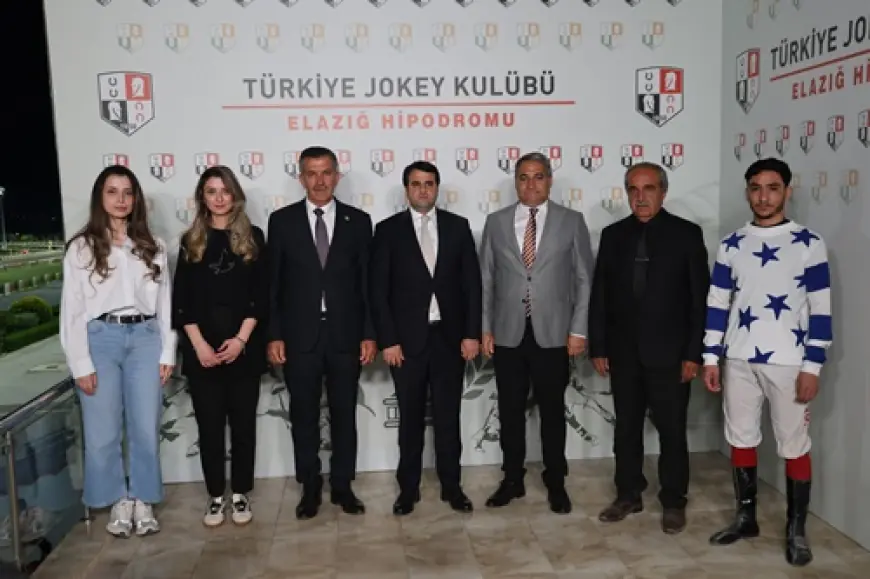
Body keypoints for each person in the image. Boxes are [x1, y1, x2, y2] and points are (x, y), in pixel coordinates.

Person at [703, 158, 831, 567]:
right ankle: (746, 519)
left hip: (790, 363)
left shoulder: (809, 243)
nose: (763, 196)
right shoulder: (731, 244)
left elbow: (821, 308)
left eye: (772, 188)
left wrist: (812, 366)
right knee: (741, 438)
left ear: (787, 192)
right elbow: (717, 303)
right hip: (739, 358)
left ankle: (796, 530)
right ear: (747, 192)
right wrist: (710, 356)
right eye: (756, 188)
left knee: (794, 444)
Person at [588, 162, 710, 534]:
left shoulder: (687, 234)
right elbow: (600, 294)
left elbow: (699, 300)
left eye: (649, 189)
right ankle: (628, 494)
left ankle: (673, 501)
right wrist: (599, 346)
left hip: (671, 355)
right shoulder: (613, 235)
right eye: (633, 189)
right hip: (623, 353)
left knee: (672, 431)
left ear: (663, 192)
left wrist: (693, 354)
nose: (640, 197)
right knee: (626, 429)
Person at [59, 165, 176, 538]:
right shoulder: (81, 247)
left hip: (145, 339)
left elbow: (165, 304)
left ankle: (143, 498)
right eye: (112, 192)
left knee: (145, 426)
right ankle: (118, 501)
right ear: (101, 198)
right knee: (102, 431)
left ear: (136, 198)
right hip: (100, 340)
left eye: (127, 192)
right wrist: (80, 362)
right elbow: (72, 309)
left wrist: (167, 352)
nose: (121, 199)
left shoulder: (153, 245)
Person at [479, 151, 594, 514]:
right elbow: (486, 279)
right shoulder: (496, 222)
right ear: (516, 181)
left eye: (538, 176)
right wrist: (485, 328)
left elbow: (584, 279)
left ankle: (555, 480)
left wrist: (578, 330)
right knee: (510, 411)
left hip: (554, 333)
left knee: (552, 412)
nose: (531, 184)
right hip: (508, 333)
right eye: (524, 177)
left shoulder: (571, 221)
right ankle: (512, 479)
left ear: (549, 180)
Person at [267, 146, 377, 519]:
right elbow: (273, 285)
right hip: (300, 338)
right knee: (304, 417)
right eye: (312, 173)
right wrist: (274, 334)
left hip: (346, 335)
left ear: (337, 176)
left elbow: (367, 284)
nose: (319, 181)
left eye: (326, 172)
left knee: (344, 414)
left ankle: (343, 486)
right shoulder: (281, 221)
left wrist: (369, 333)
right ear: (301, 178)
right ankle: (310, 486)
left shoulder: (358, 221)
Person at [369, 161, 482, 516]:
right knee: (410, 420)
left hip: (449, 340)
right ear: (407, 189)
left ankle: (452, 487)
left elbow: (472, 286)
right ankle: (408, 490)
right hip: (406, 344)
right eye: (416, 184)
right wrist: (388, 340)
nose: (422, 190)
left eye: (429, 183)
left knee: (449, 418)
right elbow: (378, 291)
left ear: (437, 187)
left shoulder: (458, 226)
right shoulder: (387, 230)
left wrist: (471, 334)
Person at [171, 165, 268, 528]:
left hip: (244, 348)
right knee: (210, 428)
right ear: (202, 197)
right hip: (203, 353)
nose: (219, 198)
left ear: (235, 195)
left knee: (243, 427)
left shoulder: (254, 237)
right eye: (212, 191)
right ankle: (215, 496)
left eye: (225, 191)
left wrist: (241, 339)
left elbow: (261, 296)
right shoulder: (190, 240)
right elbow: (181, 302)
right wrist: (198, 345)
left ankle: (241, 493)